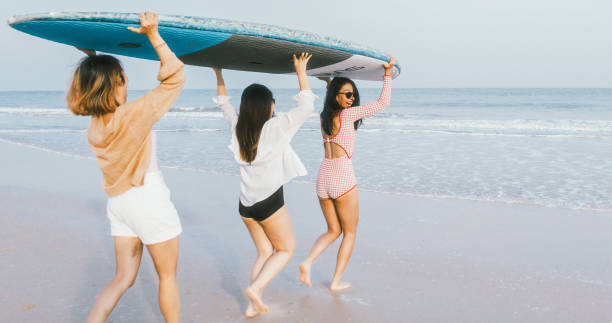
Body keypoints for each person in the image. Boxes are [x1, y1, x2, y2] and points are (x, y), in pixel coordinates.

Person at [65, 12, 185, 323]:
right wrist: (154, 35)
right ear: (120, 82)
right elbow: (175, 76)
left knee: (122, 279)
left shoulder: (94, 128)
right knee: (167, 277)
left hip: (119, 205)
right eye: (123, 75)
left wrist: (92, 58)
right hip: (148, 201)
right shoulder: (134, 116)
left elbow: (100, 95)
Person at [213, 53, 315, 317]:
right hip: (268, 202)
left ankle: (251, 305)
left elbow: (224, 104)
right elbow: (305, 108)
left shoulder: (238, 126)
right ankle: (255, 290)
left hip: (246, 205)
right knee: (286, 249)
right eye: (273, 103)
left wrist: (218, 73)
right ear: (268, 105)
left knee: (264, 251)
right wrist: (300, 71)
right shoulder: (276, 127)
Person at [299, 56, 396, 291]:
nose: (352, 99)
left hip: (323, 178)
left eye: (353, 94)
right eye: (347, 95)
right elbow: (383, 103)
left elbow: (331, 99)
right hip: (342, 178)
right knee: (350, 232)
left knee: (333, 230)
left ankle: (308, 261)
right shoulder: (348, 115)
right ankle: (335, 282)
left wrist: (329, 83)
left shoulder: (324, 117)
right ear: (338, 96)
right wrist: (387, 74)